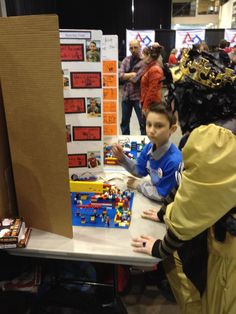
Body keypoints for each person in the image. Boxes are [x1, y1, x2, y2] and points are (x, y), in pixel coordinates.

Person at [132, 49, 236, 314]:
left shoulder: (217, 139)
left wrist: (159, 248)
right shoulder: (223, 128)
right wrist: (165, 210)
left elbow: (191, 209)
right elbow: (187, 182)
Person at [112, 103, 182, 201]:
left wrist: (139, 185)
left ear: (172, 129)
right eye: (149, 124)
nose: (151, 130)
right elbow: (139, 171)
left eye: (159, 126)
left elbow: (162, 195)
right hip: (154, 192)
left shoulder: (174, 161)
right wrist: (122, 158)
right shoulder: (150, 146)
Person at [119, 39, 146, 135]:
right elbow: (120, 76)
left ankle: (145, 144)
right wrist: (132, 74)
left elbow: (137, 79)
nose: (133, 50)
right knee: (124, 123)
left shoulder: (144, 62)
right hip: (126, 96)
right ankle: (126, 142)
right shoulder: (126, 60)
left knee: (143, 123)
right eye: (131, 48)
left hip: (138, 97)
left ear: (140, 47)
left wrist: (126, 76)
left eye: (135, 47)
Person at [141, 44, 164, 114]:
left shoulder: (154, 70)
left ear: (149, 56)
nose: (142, 57)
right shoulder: (150, 68)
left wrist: (146, 106)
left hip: (152, 106)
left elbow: (152, 91)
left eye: (143, 55)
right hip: (150, 104)